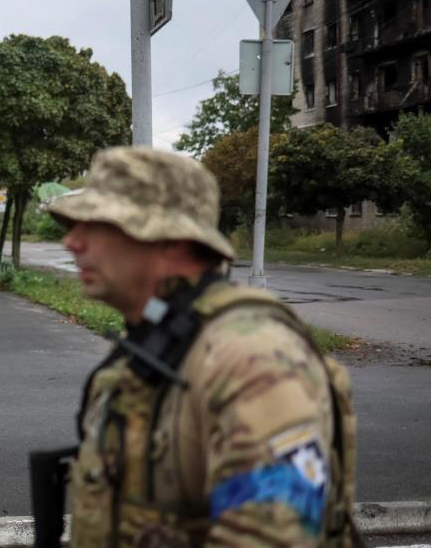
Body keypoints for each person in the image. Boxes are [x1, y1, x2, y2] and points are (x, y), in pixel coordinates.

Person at [45, 147, 357, 547]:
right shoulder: (162, 340)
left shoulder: (252, 357)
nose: (72, 241)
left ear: (171, 241)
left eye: (97, 225)